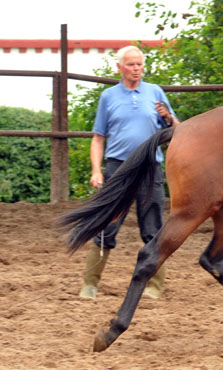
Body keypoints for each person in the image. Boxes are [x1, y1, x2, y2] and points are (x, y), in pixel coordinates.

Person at [79, 45, 180, 300]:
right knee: (106, 225)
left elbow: (177, 130)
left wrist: (168, 117)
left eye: (139, 64)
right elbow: (98, 137)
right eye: (131, 64)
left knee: (153, 228)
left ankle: (154, 286)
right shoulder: (108, 97)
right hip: (118, 168)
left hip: (150, 168)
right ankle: (90, 284)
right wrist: (96, 170)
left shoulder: (155, 93)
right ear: (120, 68)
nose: (136, 69)